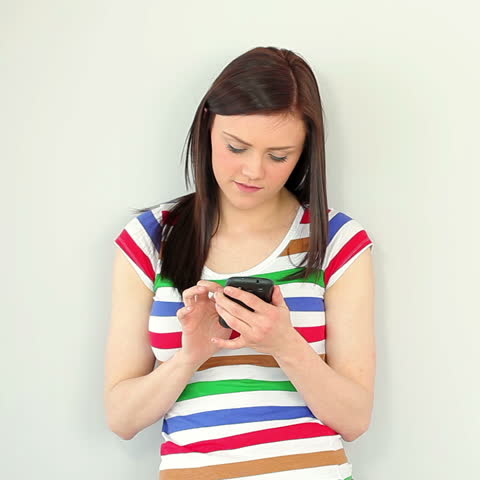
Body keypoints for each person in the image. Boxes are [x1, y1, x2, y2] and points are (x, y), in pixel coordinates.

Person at [104, 46, 375, 480]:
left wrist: (285, 343)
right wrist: (191, 355)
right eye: (236, 147)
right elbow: (122, 419)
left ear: (305, 150)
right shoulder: (150, 239)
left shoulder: (337, 240)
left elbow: (355, 420)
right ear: (208, 125)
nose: (253, 171)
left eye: (278, 156)